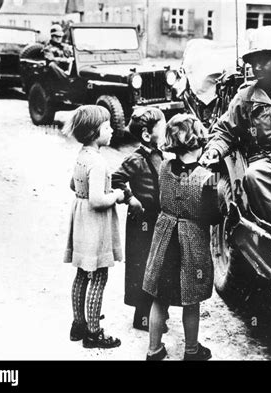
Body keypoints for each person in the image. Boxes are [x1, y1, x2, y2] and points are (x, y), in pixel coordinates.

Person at [142, 114, 220, 361]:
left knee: (159, 298)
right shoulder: (207, 178)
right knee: (191, 299)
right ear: (198, 142)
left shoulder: (164, 167)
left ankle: (153, 350)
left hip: (165, 242)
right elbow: (214, 216)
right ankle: (192, 350)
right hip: (190, 245)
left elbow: (160, 198)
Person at [200, 26, 271, 225]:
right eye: (253, 63)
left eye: (263, 61)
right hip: (264, 158)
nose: (256, 68)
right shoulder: (246, 97)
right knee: (255, 175)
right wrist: (215, 150)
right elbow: (225, 130)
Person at [63, 105, 124, 349]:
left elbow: (72, 184)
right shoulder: (97, 162)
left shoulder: (82, 156)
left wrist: (86, 192)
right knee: (99, 274)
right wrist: (117, 195)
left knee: (81, 273)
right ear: (93, 132)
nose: (111, 130)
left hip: (81, 221)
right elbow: (98, 201)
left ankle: (78, 324)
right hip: (95, 225)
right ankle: (94, 332)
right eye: (107, 127)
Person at [111, 107, 168, 332]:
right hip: (141, 221)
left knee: (157, 264)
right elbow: (116, 179)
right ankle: (142, 316)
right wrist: (131, 198)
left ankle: (155, 312)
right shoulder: (135, 159)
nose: (164, 132)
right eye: (161, 129)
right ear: (146, 135)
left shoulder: (161, 154)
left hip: (158, 219)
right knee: (142, 265)